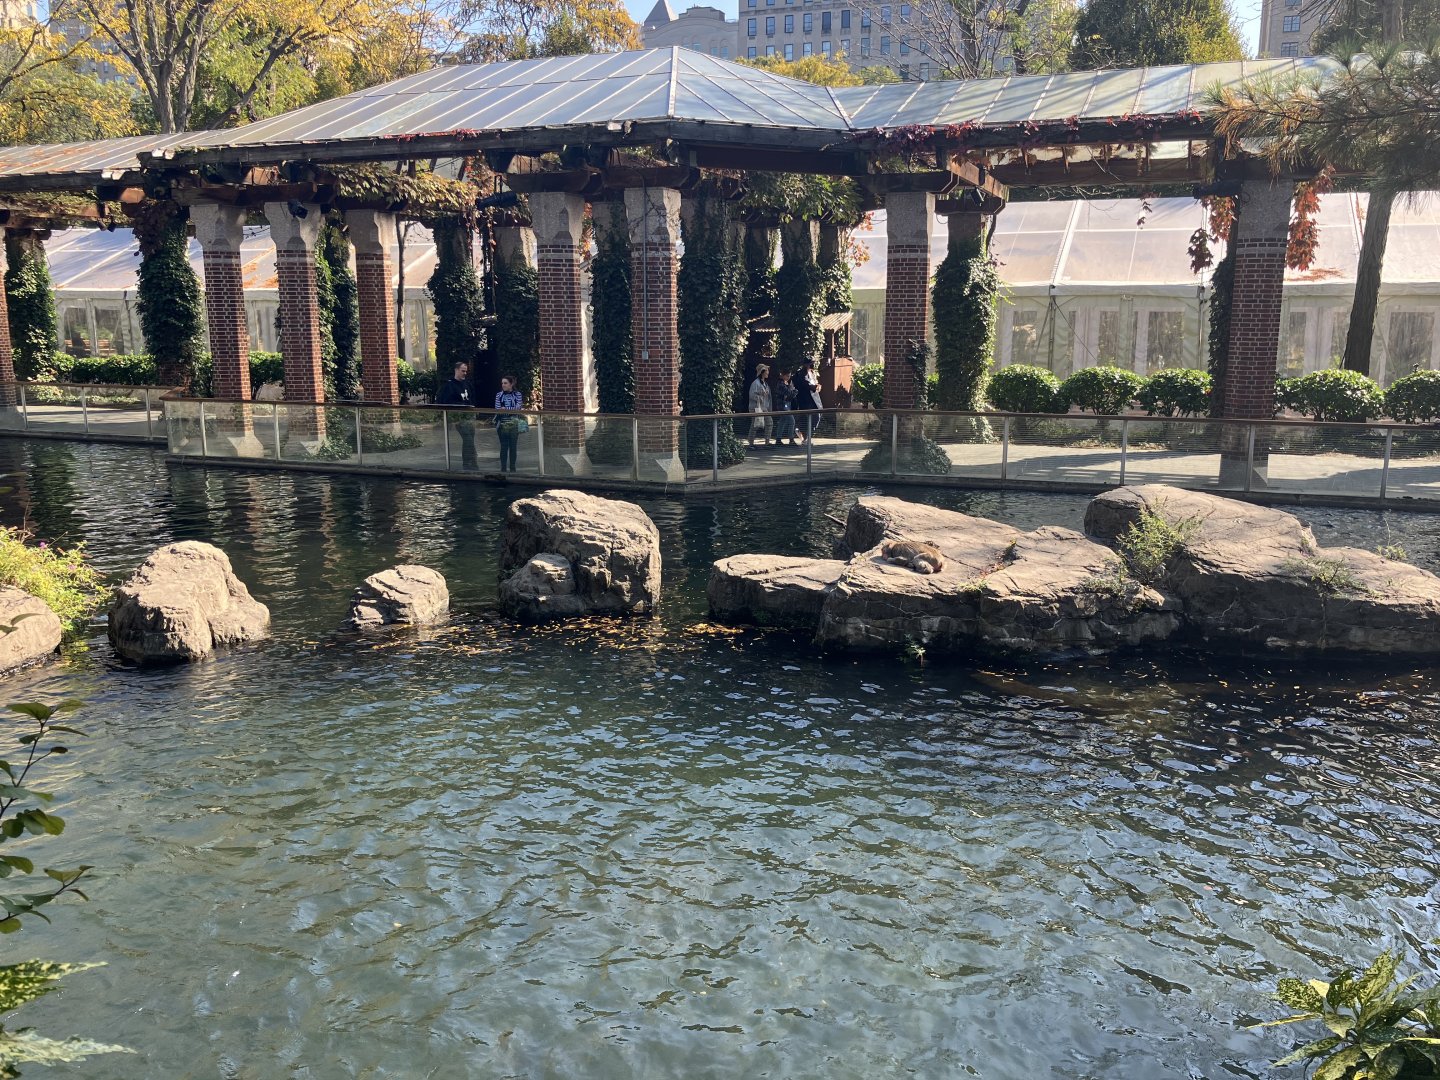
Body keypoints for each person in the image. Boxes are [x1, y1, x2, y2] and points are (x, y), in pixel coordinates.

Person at [435, 361, 477, 470]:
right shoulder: (449, 386)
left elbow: (472, 398)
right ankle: (468, 464)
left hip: (469, 417)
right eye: (462, 371)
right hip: (459, 418)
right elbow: (443, 401)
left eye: (466, 371)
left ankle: (471, 463)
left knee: (470, 440)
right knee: (468, 439)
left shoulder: (467, 384)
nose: (465, 373)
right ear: (456, 370)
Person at [494, 374, 524, 472]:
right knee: (503, 446)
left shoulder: (517, 394)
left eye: (505, 383)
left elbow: (518, 408)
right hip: (502, 423)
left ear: (511, 384)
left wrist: (506, 409)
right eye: (502, 383)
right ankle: (503, 468)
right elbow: (498, 409)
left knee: (513, 446)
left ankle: (512, 467)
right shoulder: (499, 395)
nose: (503, 385)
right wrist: (509, 409)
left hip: (514, 423)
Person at [794, 359, 822, 443]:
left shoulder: (811, 373)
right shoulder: (801, 374)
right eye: (811, 364)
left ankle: (804, 434)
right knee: (810, 418)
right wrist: (814, 387)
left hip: (812, 399)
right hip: (805, 400)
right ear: (806, 364)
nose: (812, 365)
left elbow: (813, 384)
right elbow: (805, 385)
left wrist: (816, 386)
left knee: (815, 418)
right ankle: (805, 436)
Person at [748, 363, 772, 448]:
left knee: (769, 422)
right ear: (762, 372)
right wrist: (760, 396)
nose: (768, 372)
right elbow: (751, 395)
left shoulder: (765, 384)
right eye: (766, 370)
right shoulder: (755, 383)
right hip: (756, 408)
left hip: (763, 407)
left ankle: (767, 442)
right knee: (755, 425)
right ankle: (751, 443)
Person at [773, 370, 798, 445]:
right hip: (783, 405)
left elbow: (790, 392)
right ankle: (791, 439)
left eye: (789, 376)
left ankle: (778, 438)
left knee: (783, 421)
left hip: (786, 404)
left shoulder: (785, 383)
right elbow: (789, 392)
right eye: (787, 376)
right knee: (791, 421)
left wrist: (793, 391)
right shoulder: (780, 383)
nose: (789, 377)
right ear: (783, 375)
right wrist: (795, 391)